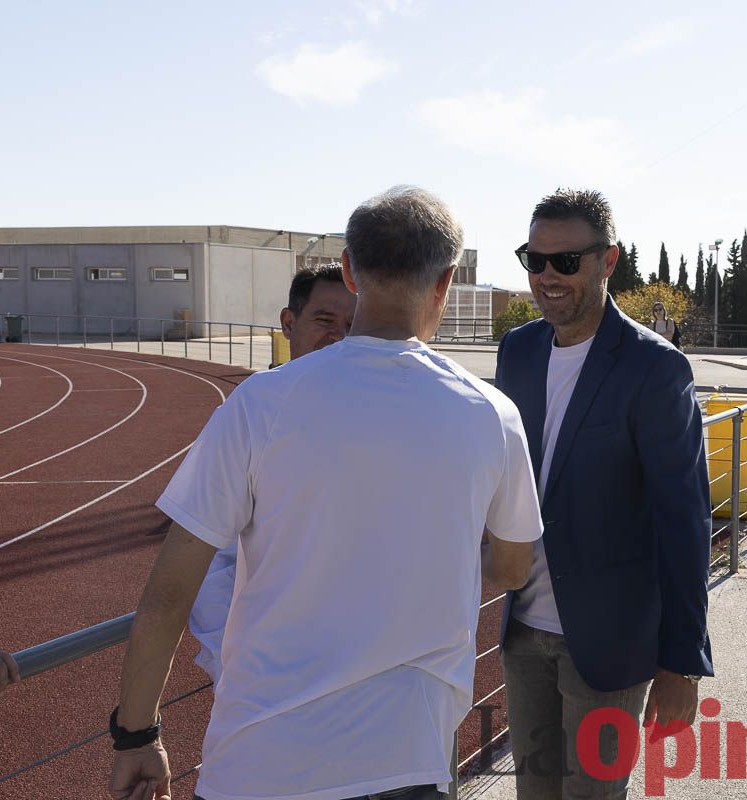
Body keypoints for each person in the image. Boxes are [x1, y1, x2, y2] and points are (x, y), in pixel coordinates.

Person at [108, 186, 543, 800]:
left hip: (257, 763)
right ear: (446, 281)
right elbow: (513, 564)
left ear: (349, 270)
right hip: (406, 760)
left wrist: (135, 736)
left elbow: (168, 595)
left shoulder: (261, 404)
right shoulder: (492, 415)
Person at [498, 188, 713, 799]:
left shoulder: (655, 368)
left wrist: (681, 663)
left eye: (565, 262)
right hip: (522, 631)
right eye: (533, 260)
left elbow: (683, 521)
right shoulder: (517, 351)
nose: (547, 277)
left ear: (607, 260)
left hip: (610, 643)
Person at [188, 263, 356, 686]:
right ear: (288, 322)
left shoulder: (389, 421)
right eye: (324, 320)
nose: (338, 336)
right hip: (271, 682)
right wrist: (233, 667)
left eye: (352, 325)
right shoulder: (247, 416)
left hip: (364, 681)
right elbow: (208, 563)